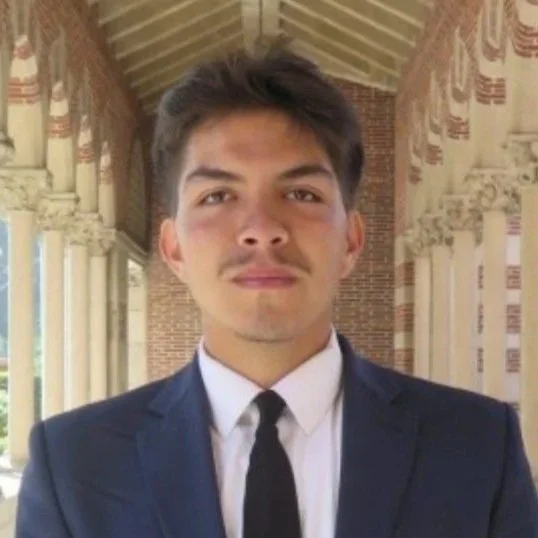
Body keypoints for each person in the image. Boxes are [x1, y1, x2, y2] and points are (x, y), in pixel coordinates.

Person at [16, 42, 538, 538]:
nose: (262, 229)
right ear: (174, 248)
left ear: (351, 240)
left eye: (301, 193)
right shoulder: (76, 465)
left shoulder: (476, 447)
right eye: (218, 195)